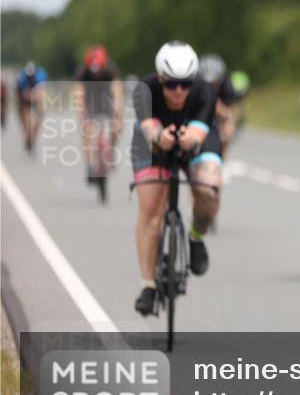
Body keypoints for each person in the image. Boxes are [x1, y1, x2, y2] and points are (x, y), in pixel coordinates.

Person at [132, 41, 223, 315]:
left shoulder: (205, 92)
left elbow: (197, 134)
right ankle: (148, 285)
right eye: (172, 84)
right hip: (155, 140)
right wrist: (161, 138)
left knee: (209, 188)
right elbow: (149, 128)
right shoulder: (144, 90)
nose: (179, 91)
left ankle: (196, 237)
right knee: (150, 209)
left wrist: (186, 139)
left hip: (195, 138)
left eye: (185, 84)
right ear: (160, 79)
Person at [73, 45, 124, 183]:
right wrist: (82, 112)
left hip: (107, 101)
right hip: (90, 102)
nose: (96, 74)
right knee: (88, 130)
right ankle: (90, 164)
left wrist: (117, 111)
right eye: (93, 71)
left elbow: (117, 90)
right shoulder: (83, 71)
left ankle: (111, 149)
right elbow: (78, 93)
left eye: (98, 70)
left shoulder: (110, 68)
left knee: (117, 126)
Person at [198, 54, 243, 158]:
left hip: (219, 115)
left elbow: (229, 112)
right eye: (206, 84)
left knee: (227, 133)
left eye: (214, 84)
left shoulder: (227, 88)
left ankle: (221, 159)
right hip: (200, 114)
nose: (210, 88)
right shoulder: (193, 88)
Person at [16, 62, 47, 152]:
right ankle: (27, 135)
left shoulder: (40, 76)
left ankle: (35, 130)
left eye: (32, 76)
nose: (30, 77)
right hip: (24, 100)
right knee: (25, 119)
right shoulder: (22, 79)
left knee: (41, 108)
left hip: (36, 99)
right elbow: (22, 95)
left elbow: (41, 92)